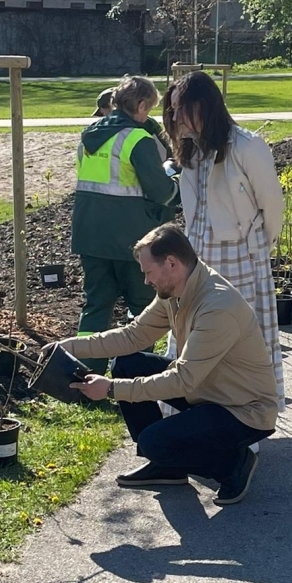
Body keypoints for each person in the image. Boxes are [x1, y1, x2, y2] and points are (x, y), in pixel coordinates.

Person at [56, 224, 279, 506]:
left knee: (154, 442)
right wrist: (68, 346)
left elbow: (182, 379)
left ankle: (234, 465)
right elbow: (133, 335)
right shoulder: (175, 290)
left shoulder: (217, 307)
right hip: (206, 389)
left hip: (243, 409)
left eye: (148, 272)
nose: (146, 281)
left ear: (171, 263)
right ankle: (168, 466)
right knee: (127, 363)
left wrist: (111, 390)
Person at [162, 71, 286, 409]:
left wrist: (259, 248)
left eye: (180, 108)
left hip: (240, 256)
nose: (175, 118)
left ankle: (244, 414)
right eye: (171, 110)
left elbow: (272, 204)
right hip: (197, 256)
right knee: (190, 331)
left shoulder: (246, 146)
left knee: (239, 340)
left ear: (204, 106)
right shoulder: (191, 151)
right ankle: (183, 408)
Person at [72, 75, 178, 374]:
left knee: (96, 305)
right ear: (141, 105)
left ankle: (85, 371)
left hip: (90, 236)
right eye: (149, 109)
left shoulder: (89, 136)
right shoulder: (137, 139)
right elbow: (160, 192)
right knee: (141, 308)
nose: (148, 116)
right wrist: (177, 182)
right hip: (131, 238)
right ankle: (132, 371)